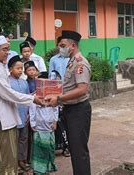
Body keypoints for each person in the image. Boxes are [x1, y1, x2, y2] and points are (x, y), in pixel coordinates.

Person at [0, 35, 44, 174]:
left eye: (8, 49)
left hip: (9, 117)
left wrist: (30, 97)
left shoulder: (0, 65)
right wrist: (32, 99)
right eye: (4, 50)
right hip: (2, 119)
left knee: (10, 157)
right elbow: (6, 93)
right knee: (4, 159)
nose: (7, 53)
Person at [45, 30, 92, 175]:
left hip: (78, 110)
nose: (60, 48)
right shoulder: (71, 62)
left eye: (63, 45)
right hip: (70, 109)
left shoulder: (80, 64)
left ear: (73, 46)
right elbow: (68, 87)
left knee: (79, 151)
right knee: (74, 149)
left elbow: (82, 89)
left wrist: (59, 98)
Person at [8, 56, 31, 172]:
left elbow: (27, 99)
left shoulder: (24, 82)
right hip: (13, 117)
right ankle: (13, 162)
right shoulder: (7, 82)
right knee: (13, 141)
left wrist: (28, 113)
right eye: (18, 68)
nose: (21, 70)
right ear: (10, 69)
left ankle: (22, 160)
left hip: (24, 116)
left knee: (23, 139)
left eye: (22, 68)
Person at [29, 87, 59, 174]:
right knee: (39, 149)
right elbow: (32, 110)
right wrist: (33, 123)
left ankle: (48, 167)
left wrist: (55, 121)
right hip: (39, 128)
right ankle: (39, 170)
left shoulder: (52, 96)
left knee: (50, 148)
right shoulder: (35, 97)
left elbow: (55, 109)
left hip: (50, 128)